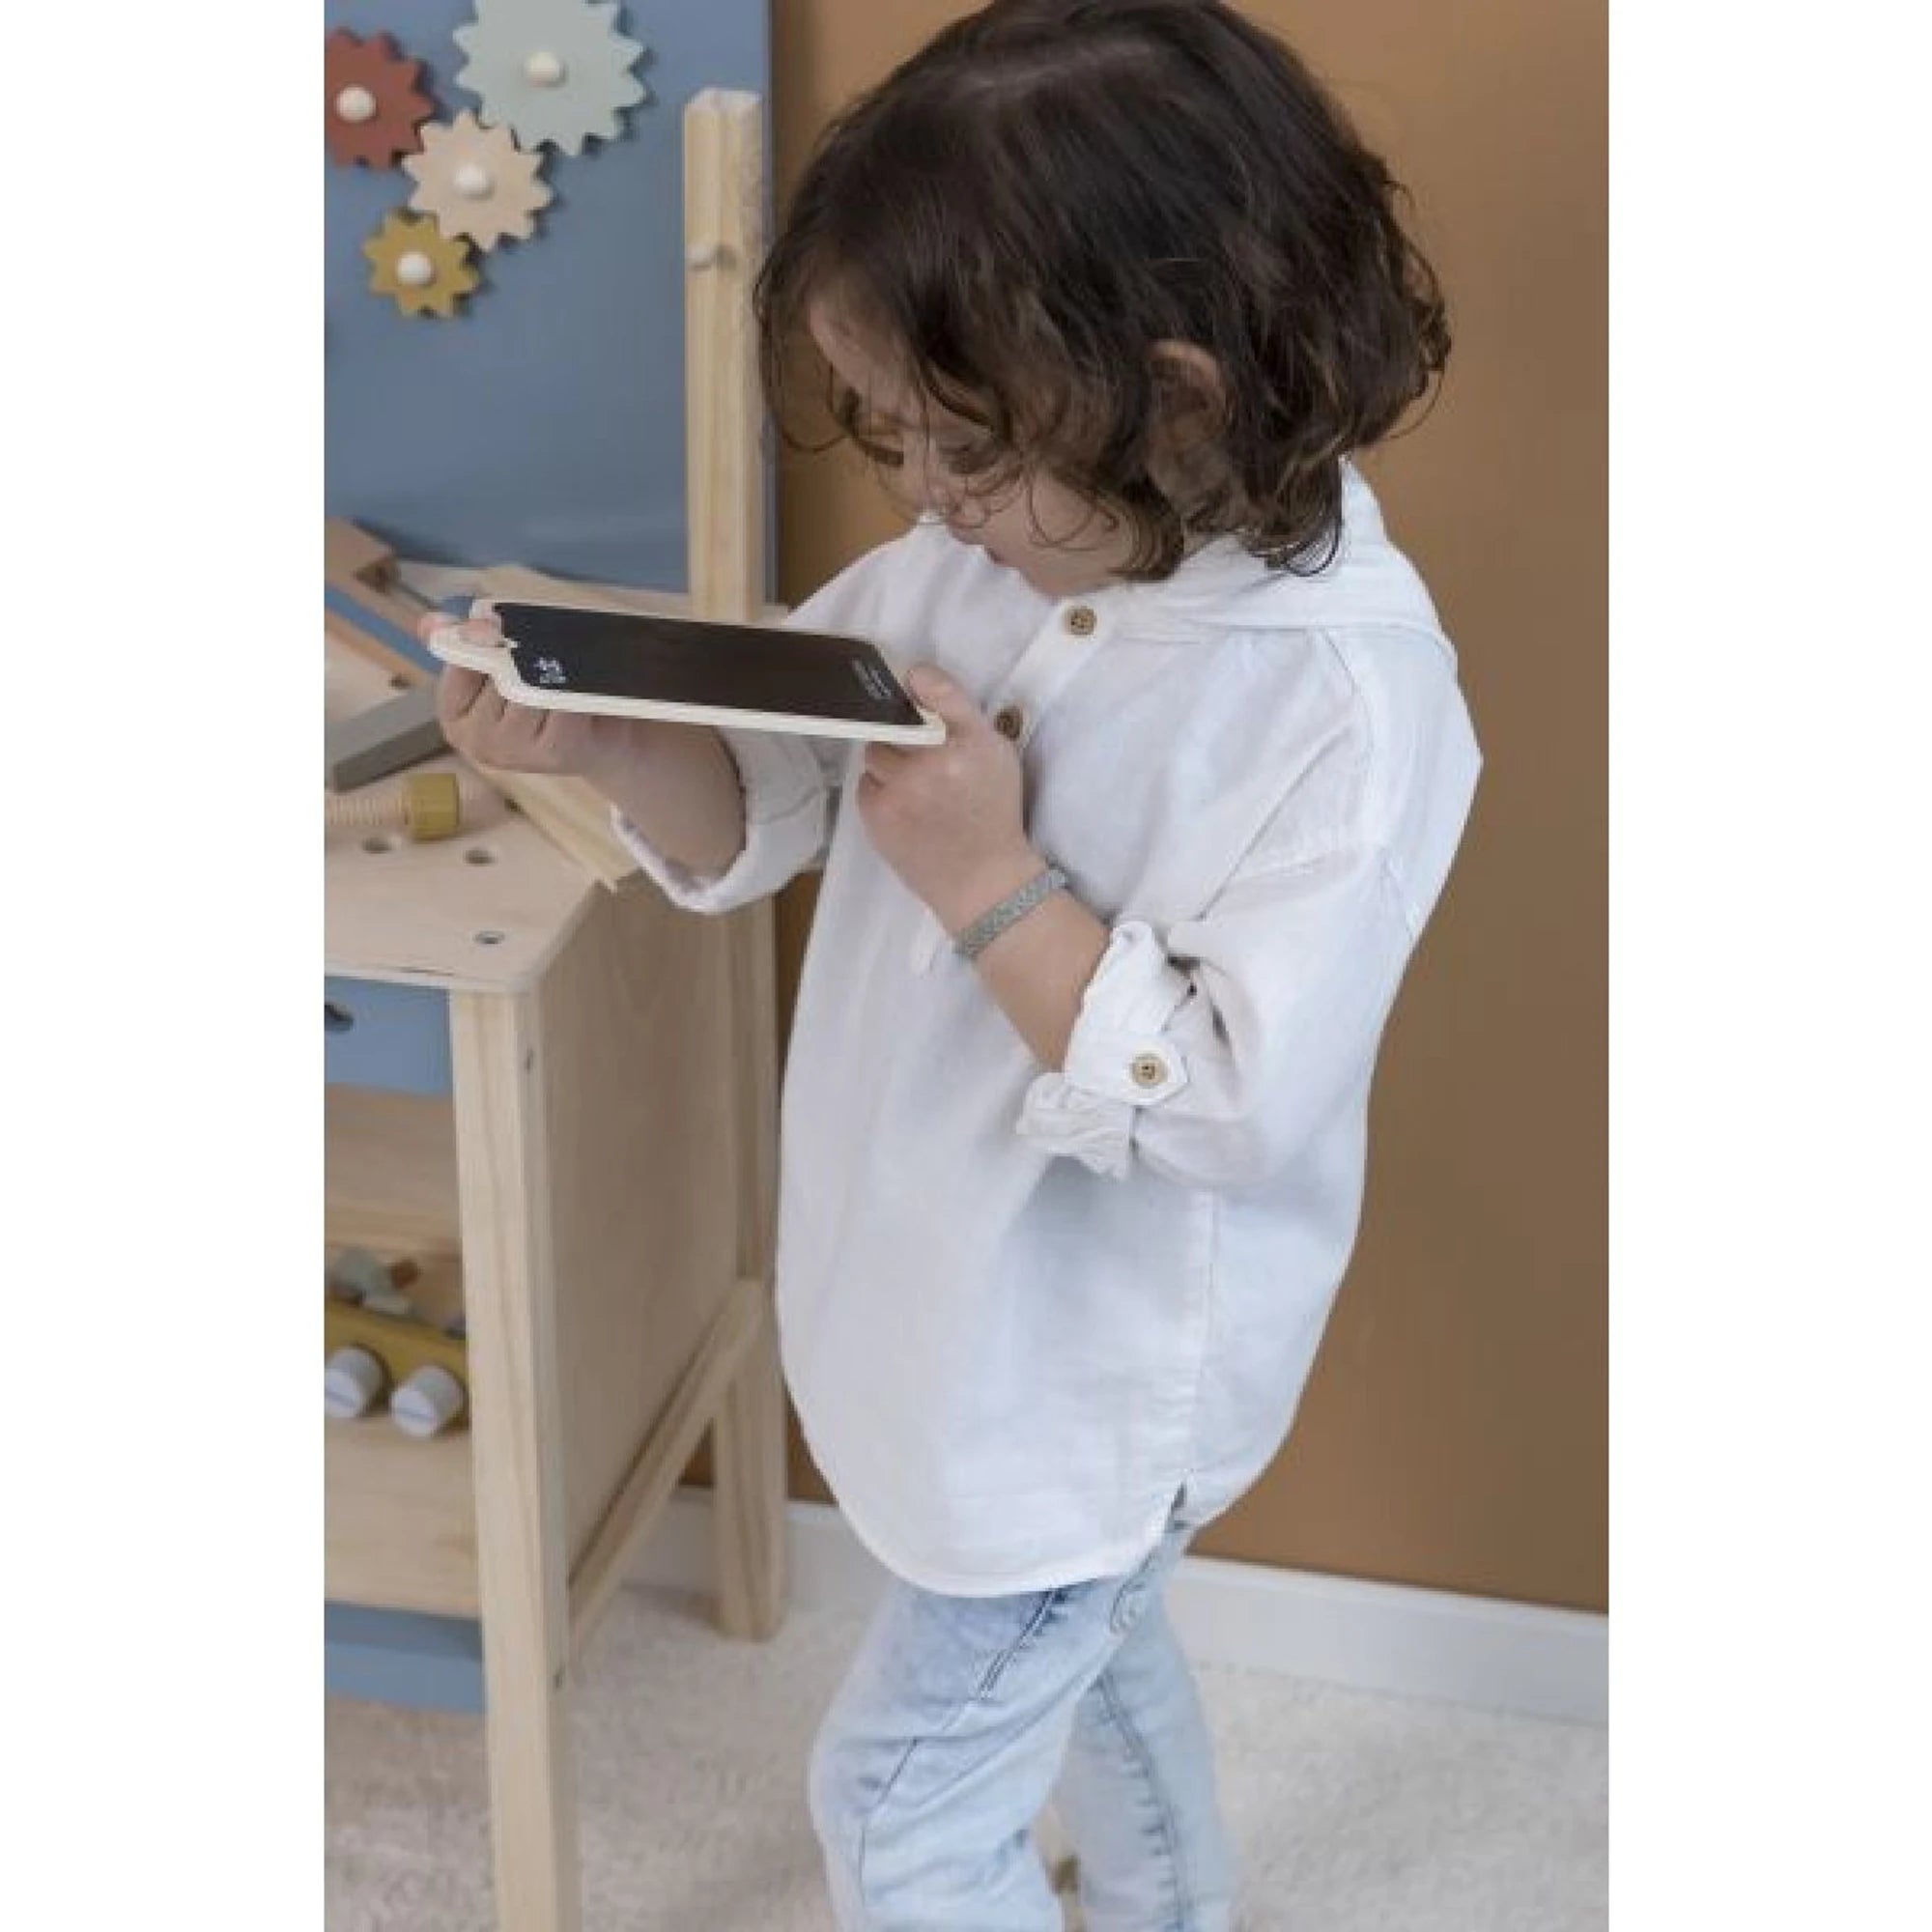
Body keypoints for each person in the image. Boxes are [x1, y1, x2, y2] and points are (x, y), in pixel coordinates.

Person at [428, 4, 1481, 1924]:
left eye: (967, 450)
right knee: (1098, 1677)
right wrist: (606, 738)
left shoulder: (1336, 704)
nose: (918, 495)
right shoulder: (964, 573)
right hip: (929, 1316)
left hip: (1079, 1388)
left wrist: (991, 882)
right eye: (891, 435)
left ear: (1175, 402)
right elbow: (772, 795)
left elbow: (1227, 1107)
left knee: (904, 1810)